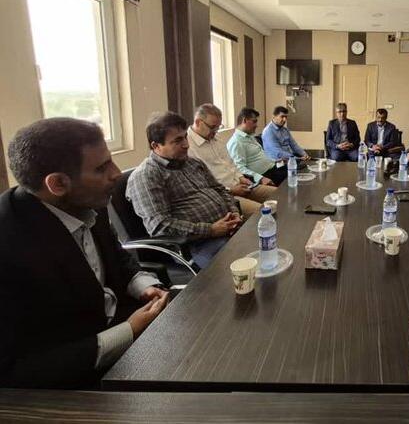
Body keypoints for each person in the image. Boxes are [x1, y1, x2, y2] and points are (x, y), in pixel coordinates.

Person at [0, 118, 169, 389]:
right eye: (101, 168)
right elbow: (18, 368)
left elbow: (117, 257)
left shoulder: (88, 199)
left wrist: (143, 286)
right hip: (73, 379)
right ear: (57, 183)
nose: (116, 174)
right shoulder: (9, 244)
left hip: (123, 323)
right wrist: (129, 331)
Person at [126, 112, 242, 269]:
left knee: (265, 246)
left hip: (227, 230)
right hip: (196, 246)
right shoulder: (147, 176)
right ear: (156, 146)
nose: (186, 144)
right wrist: (211, 230)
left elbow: (220, 190)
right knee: (246, 269)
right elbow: (160, 226)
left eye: (185, 137)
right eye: (177, 140)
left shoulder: (193, 163)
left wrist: (234, 212)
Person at [187, 103, 275, 217]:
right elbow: (202, 185)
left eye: (218, 127)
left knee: (279, 195)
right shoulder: (188, 147)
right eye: (213, 127)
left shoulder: (217, 138)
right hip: (224, 194)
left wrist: (241, 177)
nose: (215, 131)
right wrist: (231, 190)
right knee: (263, 213)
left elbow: (231, 163)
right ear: (198, 122)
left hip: (241, 185)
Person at [227, 107, 287, 185]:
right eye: (254, 121)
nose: (256, 125)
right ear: (244, 120)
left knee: (296, 170)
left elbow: (259, 156)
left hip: (273, 168)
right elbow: (239, 168)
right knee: (294, 178)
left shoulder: (249, 136)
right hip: (265, 175)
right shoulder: (236, 142)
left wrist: (275, 161)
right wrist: (260, 178)